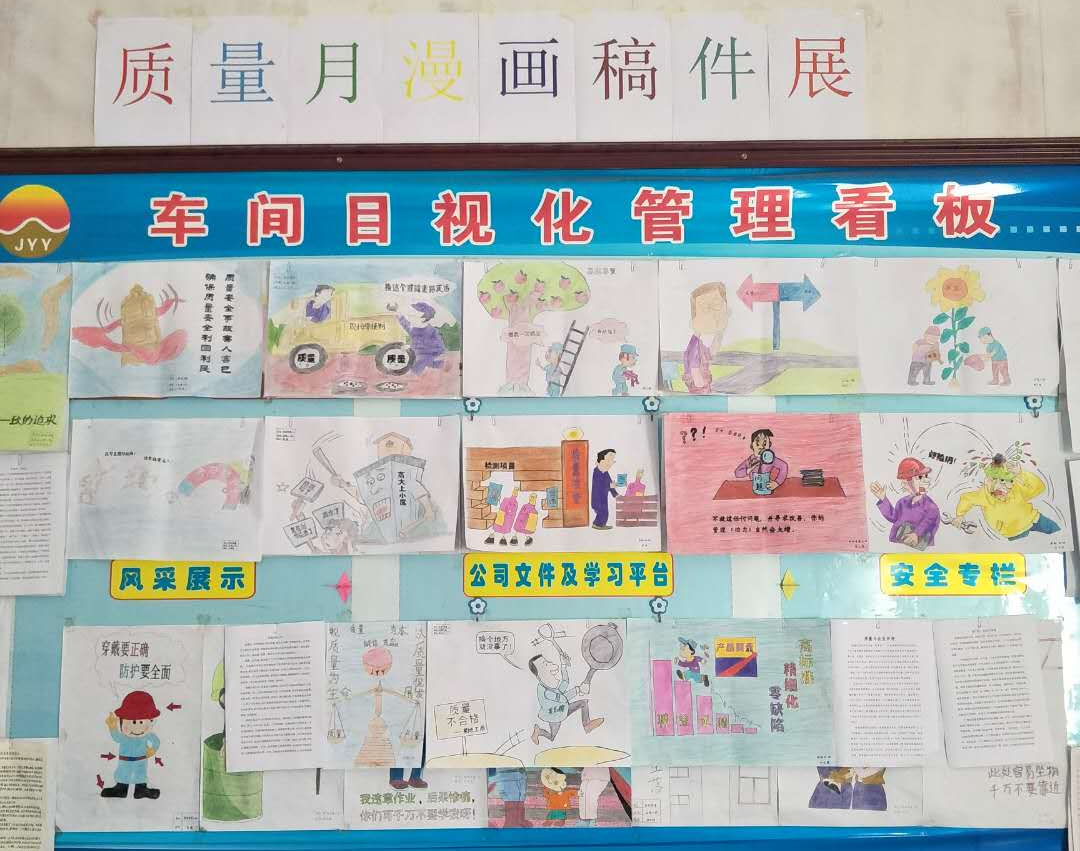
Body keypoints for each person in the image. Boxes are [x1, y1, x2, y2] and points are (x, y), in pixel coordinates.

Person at [947, 454, 1061, 540]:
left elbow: (1038, 487)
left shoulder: (1015, 488)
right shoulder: (983, 495)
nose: (1005, 486)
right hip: (1013, 531)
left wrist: (1021, 473)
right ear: (988, 481)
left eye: (1009, 481)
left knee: (1056, 531)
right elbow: (966, 499)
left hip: (1034, 519)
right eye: (999, 481)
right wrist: (959, 516)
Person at [529, 624, 604, 745]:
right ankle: (538, 731)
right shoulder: (545, 690)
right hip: (553, 715)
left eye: (547, 661)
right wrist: (578, 690)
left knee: (583, 702)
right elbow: (563, 698)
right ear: (538, 675)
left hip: (562, 709)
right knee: (552, 737)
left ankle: (587, 725)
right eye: (545, 664)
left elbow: (564, 684)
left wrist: (564, 666)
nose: (549, 664)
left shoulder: (550, 684)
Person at [869, 457, 940, 550]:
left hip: (916, 549)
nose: (926, 481)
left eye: (925, 477)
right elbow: (893, 517)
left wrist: (916, 534)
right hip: (896, 544)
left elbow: (928, 522)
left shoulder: (931, 507)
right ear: (906, 483)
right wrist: (883, 499)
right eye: (919, 477)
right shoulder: (902, 502)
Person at [101, 690, 161, 800]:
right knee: (123, 775)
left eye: (141, 722)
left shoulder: (147, 736)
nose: (137, 728)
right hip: (125, 762)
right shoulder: (125, 737)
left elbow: (156, 741)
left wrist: (153, 749)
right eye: (133, 722)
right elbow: (117, 737)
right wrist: (112, 727)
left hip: (141, 761)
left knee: (140, 775)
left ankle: (140, 790)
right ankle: (121, 790)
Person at [682, 282, 729, 394]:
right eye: (708, 310)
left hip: (703, 389)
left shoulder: (699, 343)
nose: (715, 317)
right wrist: (704, 386)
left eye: (719, 308)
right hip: (700, 391)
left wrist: (720, 332)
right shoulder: (694, 346)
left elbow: (711, 352)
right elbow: (696, 375)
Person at [394, 302, 446, 375]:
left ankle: (436, 365)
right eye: (410, 316)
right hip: (419, 355)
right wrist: (398, 312)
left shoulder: (431, 331)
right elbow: (405, 324)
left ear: (424, 318)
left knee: (416, 368)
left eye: (413, 317)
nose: (410, 319)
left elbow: (436, 346)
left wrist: (410, 347)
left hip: (429, 355)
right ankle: (436, 364)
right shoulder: (414, 329)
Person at [591, 449, 619, 530]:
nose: (611, 463)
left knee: (605, 512)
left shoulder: (605, 472)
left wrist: (615, 493)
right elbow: (599, 485)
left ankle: (600, 524)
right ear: (601, 461)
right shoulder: (596, 471)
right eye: (609, 460)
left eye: (612, 460)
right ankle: (597, 524)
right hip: (597, 499)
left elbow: (609, 482)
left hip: (603, 498)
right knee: (602, 512)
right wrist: (609, 485)